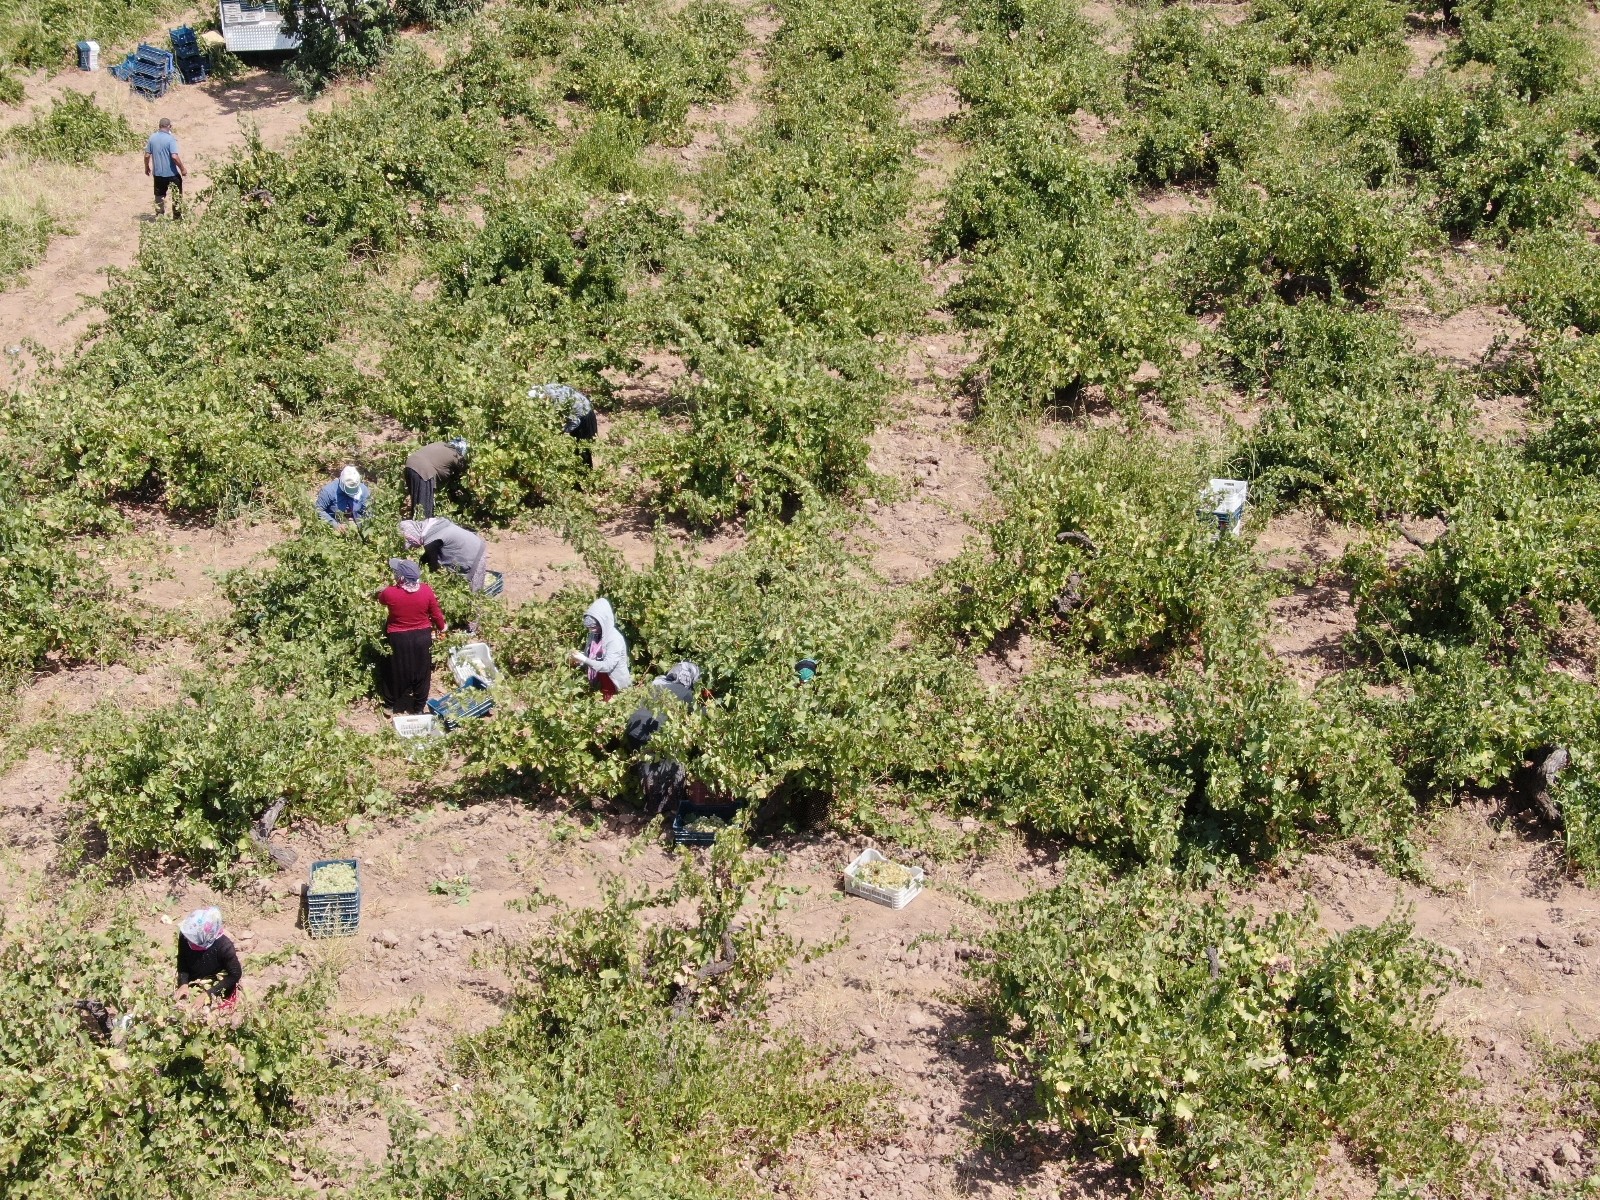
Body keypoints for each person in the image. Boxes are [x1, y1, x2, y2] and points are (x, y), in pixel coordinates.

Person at [626, 661, 701, 813]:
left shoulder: (656, 684)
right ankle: (672, 808)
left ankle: (652, 808)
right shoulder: (685, 693)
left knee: (648, 767)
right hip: (656, 733)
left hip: (633, 730)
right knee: (673, 766)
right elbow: (697, 717)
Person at [375, 558, 447, 713]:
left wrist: (382, 590)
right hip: (422, 637)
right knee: (422, 672)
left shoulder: (390, 593)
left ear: (400, 577)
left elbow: (381, 599)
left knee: (395, 670)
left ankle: (389, 705)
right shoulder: (426, 590)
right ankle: (419, 707)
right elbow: (436, 614)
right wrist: (442, 628)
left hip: (398, 638)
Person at [175, 907, 242, 1008]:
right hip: (195, 982)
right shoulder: (186, 935)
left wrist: (208, 994)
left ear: (207, 937)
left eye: (194, 940)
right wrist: (183, 984)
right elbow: (182, 960)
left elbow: (235, 975)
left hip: (219, 986)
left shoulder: (224, 947)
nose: (189, 942)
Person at [400, 516, 488, 592]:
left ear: (413, 536)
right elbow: (427, 557)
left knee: (474, 594)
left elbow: (434, 568)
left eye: (411, 543)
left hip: (474, 554)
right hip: (475, 543)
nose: (413, 546)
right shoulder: (432, 527)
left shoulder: (431, 542)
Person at [568, 598, 631, 700]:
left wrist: (584, 659)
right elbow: (589, 655)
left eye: (593, 627)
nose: (591, 630)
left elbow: (607, 666)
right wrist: (578, 659)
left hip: (614, 684)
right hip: (600, 681)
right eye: (589, 628)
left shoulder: (614, 639)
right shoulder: (594, 634)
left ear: (603, 622)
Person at [531, 384, 597, 470]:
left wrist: (561, 432)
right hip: (579, 409)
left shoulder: (557, 401)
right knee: (575, 449)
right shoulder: (547, 388)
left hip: (585, 416)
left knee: (583, 450)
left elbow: (575, 422)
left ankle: (585, 476)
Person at [404, 438, 468, 518]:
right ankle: (423, 528)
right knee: (424, 508)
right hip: (424, 471)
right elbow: (464, 469)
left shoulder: (441, 444)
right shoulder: (455, 455)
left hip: (410, 466)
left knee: (416, 502)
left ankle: (415, 526)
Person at [144, 117, 186, 221]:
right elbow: (174, 156)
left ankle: (160, 217)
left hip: (158, 174)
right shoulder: (170, 139)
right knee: (177, 196)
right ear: (169, 127)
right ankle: (177, 218)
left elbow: (146, 155)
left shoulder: (152, 138)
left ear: (159, 126)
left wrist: (147, 167)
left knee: (159, 195)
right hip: (172, 174)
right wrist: (182, 169)